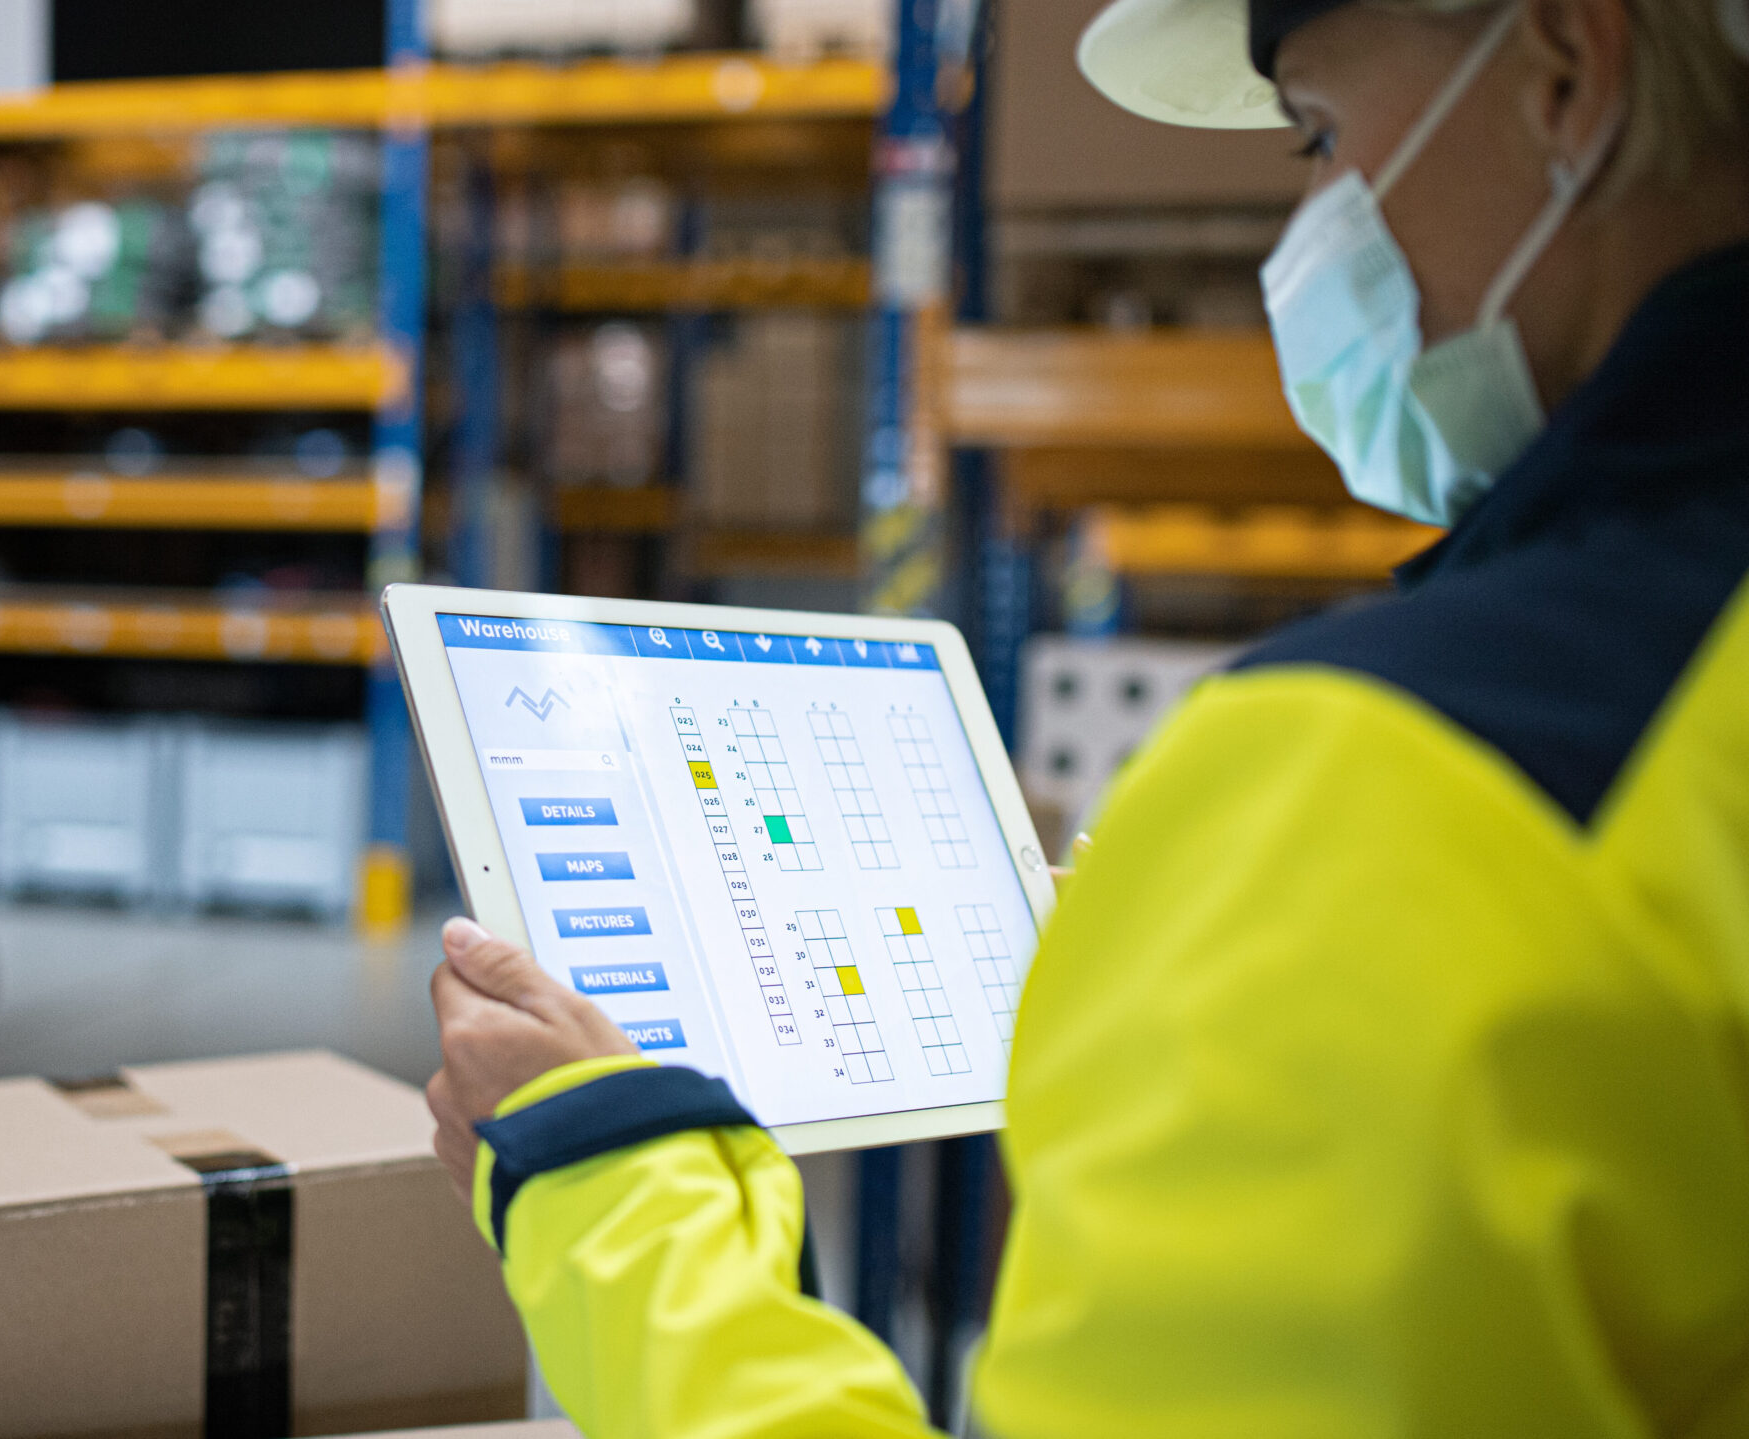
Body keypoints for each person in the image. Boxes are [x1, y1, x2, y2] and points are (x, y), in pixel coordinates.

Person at [424, 0, 1749, 1431]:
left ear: (1565, 71)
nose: (1303, 232)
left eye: (1319, 133)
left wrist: (607, 1182)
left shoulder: (1401, 780)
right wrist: (1195, 952)